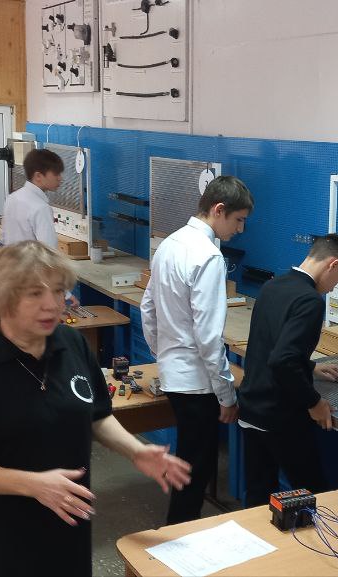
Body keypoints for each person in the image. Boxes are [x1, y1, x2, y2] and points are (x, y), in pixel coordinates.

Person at [0, 241, 192, 576]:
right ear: (3, 296)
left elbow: (96, 415)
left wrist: (135, 451)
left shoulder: (72, 343)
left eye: (58, 290)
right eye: (35, 293)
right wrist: (33, 484)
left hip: (67, 529)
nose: (52, 304)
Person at [140, 175, 253, 525]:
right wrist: (227, 395)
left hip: (175, 373)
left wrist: (163, 355)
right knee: (195, 470)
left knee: (190, 461)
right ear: (219, 210)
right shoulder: (209, 256)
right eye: (238, 220)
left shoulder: (170, 243)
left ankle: (179, 531)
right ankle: (177, 537)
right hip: (197, 384)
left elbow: (148, 307)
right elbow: (208, 337)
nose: (240, 229)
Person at [236, 235, 338, 506]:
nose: (332, 289)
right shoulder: (310, 301)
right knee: (314, 496)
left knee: (258, 496)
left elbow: (269, 347)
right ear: (333, 264)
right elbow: (283, 361)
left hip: (251, 408)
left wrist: (310, 367)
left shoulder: (273, 285)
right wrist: (315, 402)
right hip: (280, 417)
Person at [1, 149, 62, 248]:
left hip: (10, 257)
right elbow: (48, 250)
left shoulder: (11, 198)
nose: (60, 178)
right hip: (33, 258)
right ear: (38, 176)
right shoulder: (41, 208)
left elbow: (4, 238)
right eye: (56, 174)